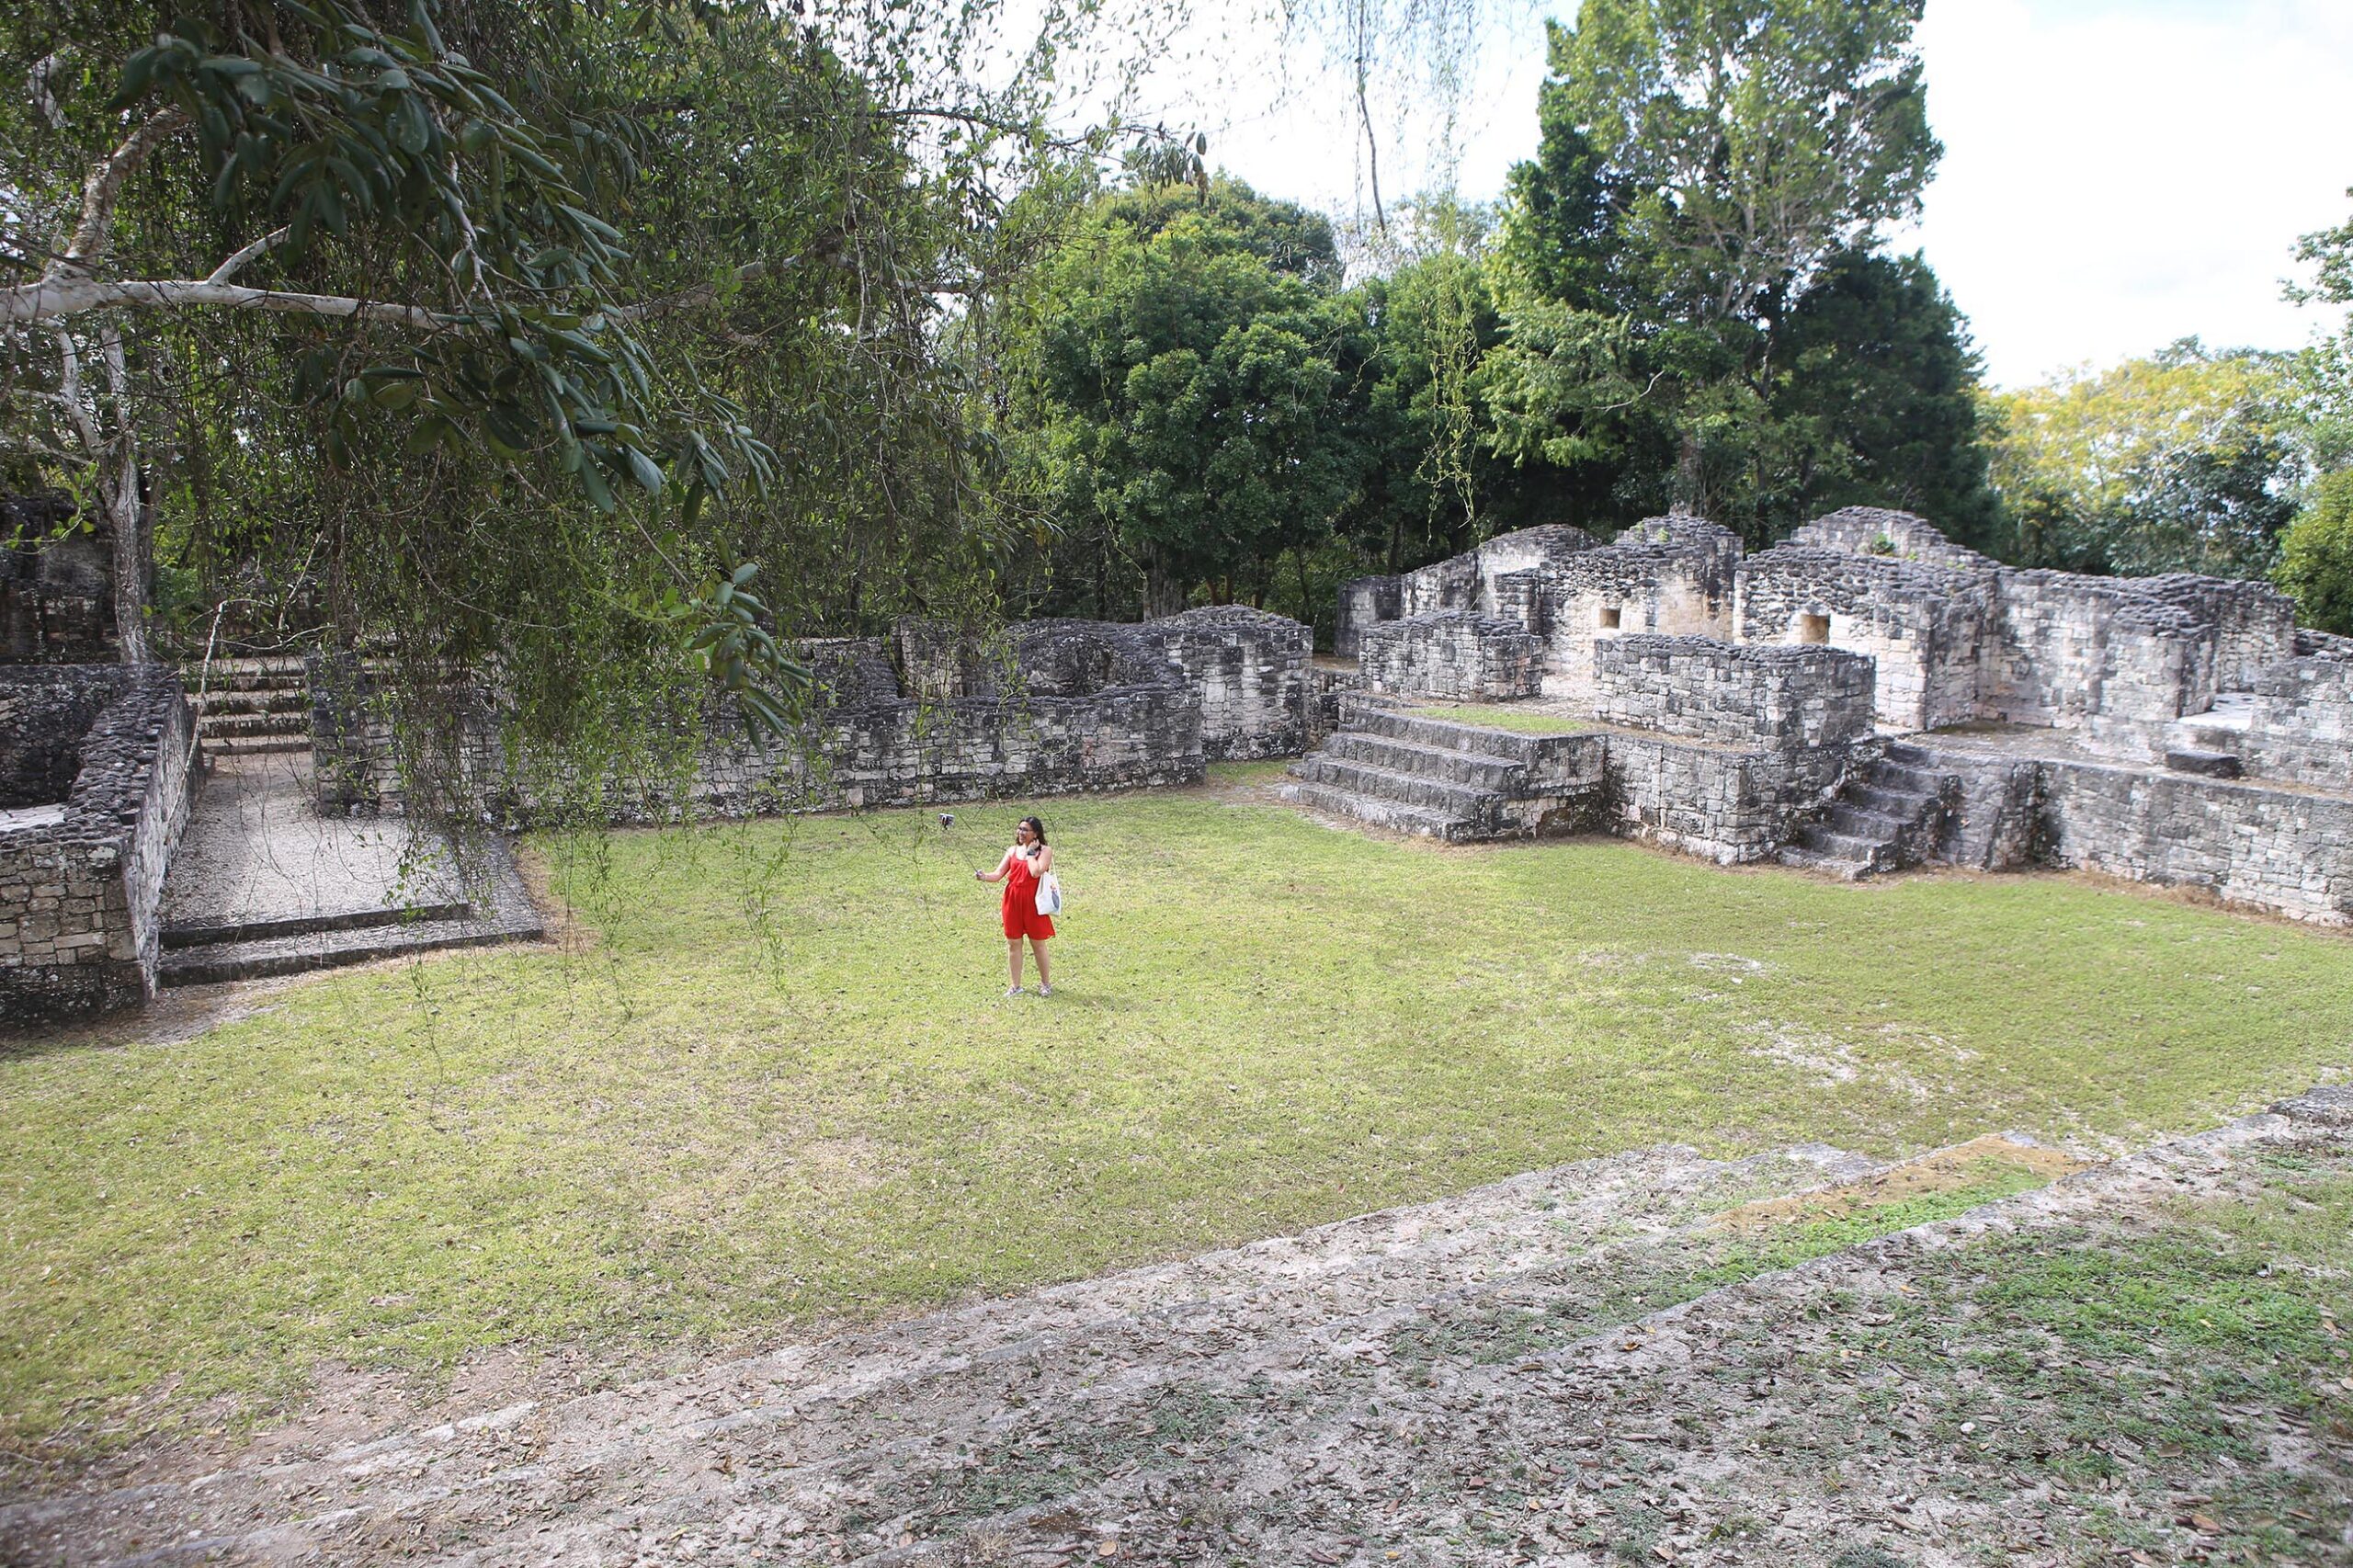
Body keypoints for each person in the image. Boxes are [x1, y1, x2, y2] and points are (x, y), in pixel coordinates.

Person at [975, 814, 1055, 996]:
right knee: (1013, 943)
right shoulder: (1012, 851)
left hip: (1034, 902)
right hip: (1013, 900)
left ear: (1035, 833)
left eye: (1025, 830)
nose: (1020, 832)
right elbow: (997, 874)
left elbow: (1035, 872)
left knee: (1038, 944)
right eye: (1019, 829)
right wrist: (984, 876)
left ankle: (1045, 984)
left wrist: (1030, 854)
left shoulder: (1045, 851)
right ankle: (1016, 986)